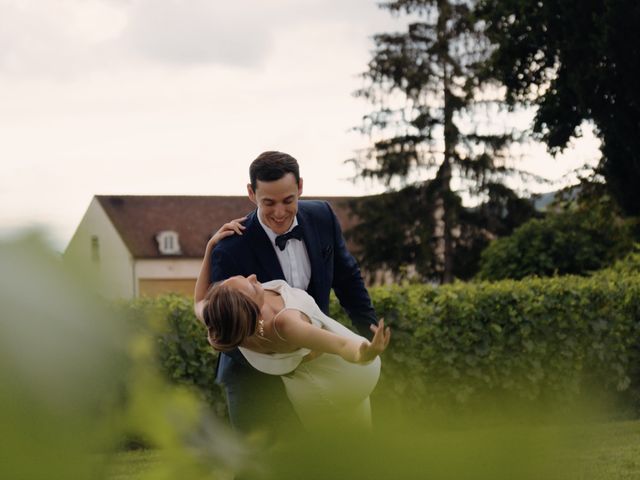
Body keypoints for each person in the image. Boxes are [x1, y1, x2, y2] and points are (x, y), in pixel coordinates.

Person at [197, 151, 379, 434]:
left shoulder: (322, 216)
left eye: (288, 200)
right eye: (268, 202)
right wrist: (286, 358)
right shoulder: (230, 247)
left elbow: (348, 279)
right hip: (256, 383)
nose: (279, 212)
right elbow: (222, 325)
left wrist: (368, 335)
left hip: (326, 369)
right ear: (251, 193)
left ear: (300, 188)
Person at [194, 227, 390, 431]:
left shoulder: (222, 317)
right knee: (345, 451)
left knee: (352, 450)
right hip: (338, 381)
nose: (252, 277)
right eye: (251, 286)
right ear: (253, 311)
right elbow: (341, 345)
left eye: (241, 278)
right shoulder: (286, 324)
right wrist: (366, 353)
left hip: (321, 389)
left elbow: (199, 300)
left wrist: (210, 247)